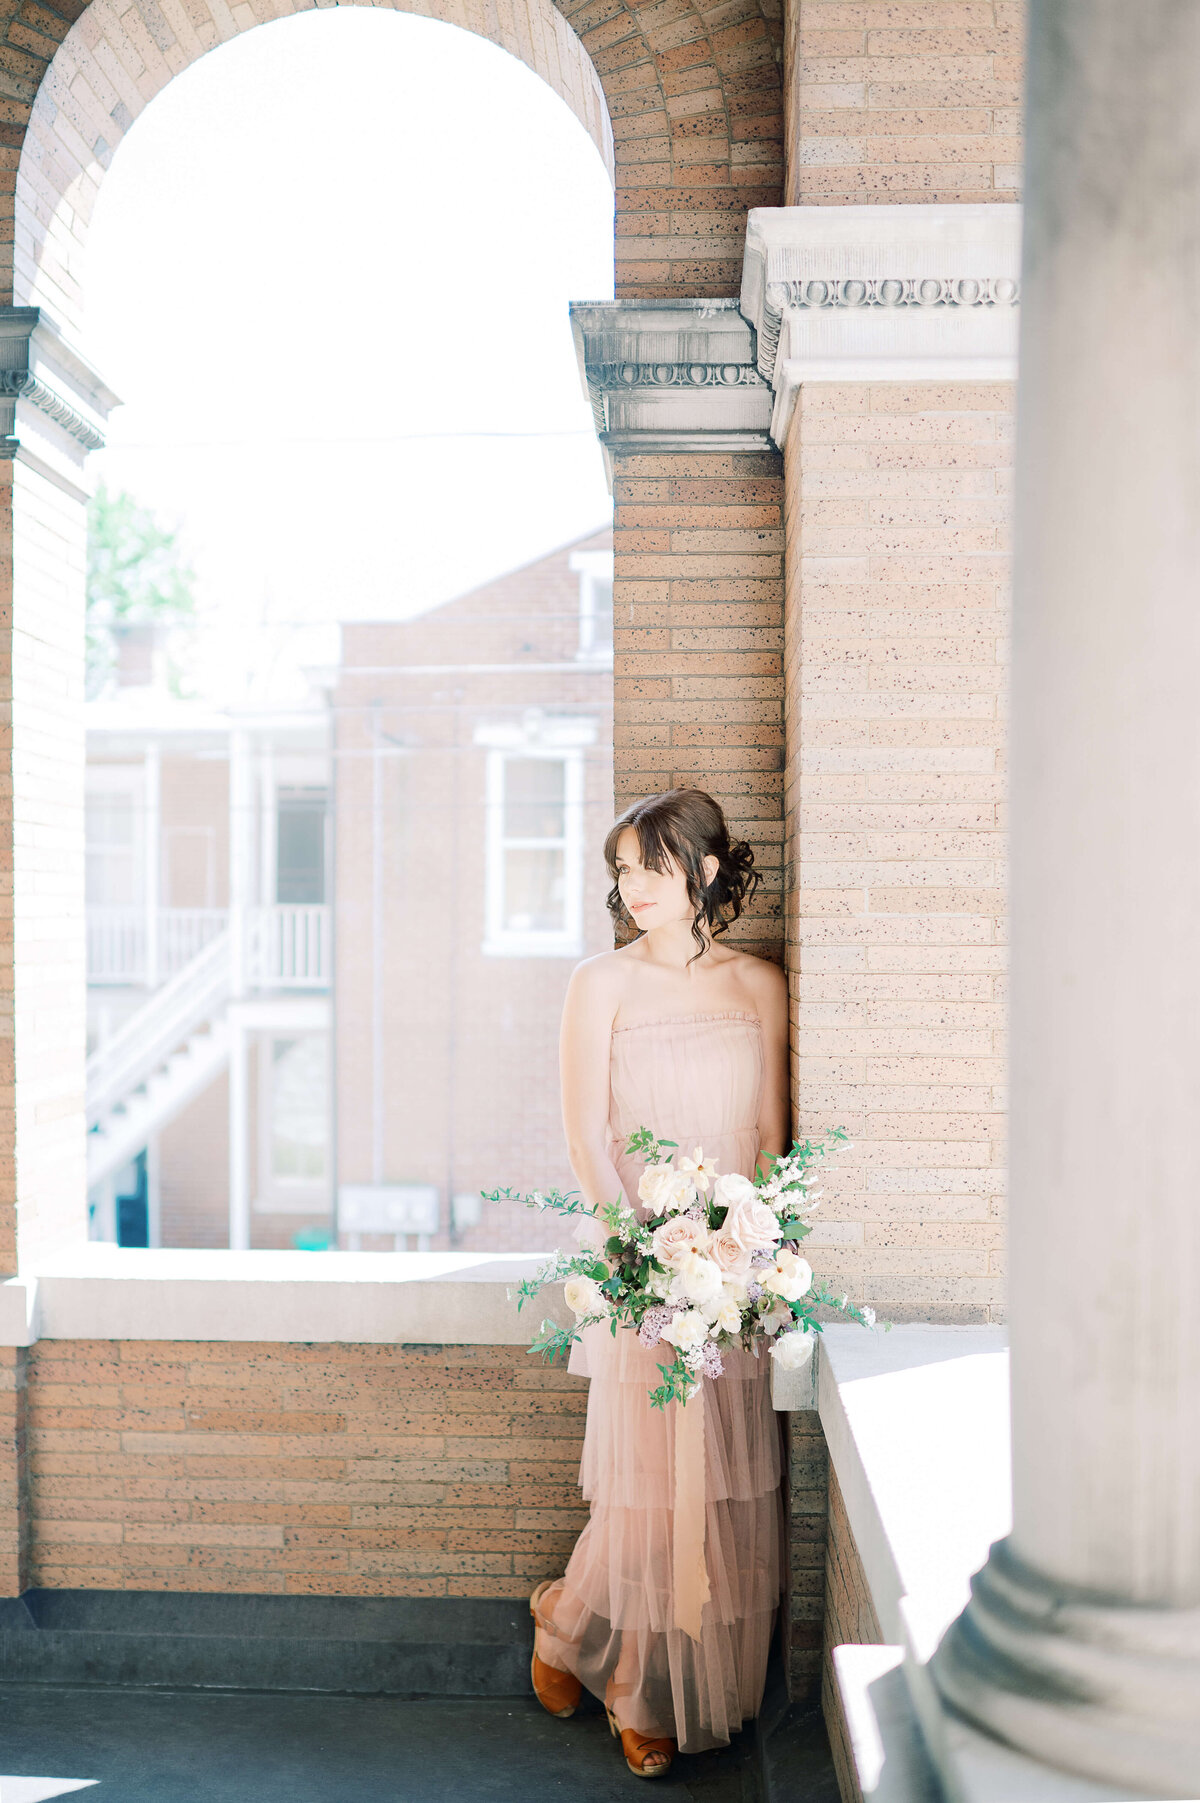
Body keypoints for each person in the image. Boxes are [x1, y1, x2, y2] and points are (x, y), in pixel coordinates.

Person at [529, 788, 789, 1780]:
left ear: (706, 872)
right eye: (622, 869)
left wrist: (751, 1255)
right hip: (641, 1264)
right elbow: (587, 1138)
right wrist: (640, 1256)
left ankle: (583, 1630)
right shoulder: (602, 983)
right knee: (645, 1489)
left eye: (651, 866)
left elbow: (769, 1135)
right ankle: (638, 1690)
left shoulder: (759, 985)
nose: (631, 887)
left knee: (728, 1491)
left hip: (738, 1271)